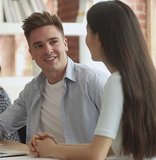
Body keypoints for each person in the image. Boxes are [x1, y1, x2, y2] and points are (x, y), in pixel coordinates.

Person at [30, 1, 156, 159]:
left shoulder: (116, 83)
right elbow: (113, 148)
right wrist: (56, 147)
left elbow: (96, 154)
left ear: (100, 38)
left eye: (88, 31)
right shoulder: (146, 79)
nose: (86, 39)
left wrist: (50, 150)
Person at [0, 11, 109, 145]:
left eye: (53, 42)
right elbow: (1, 125)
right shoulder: (32, 90)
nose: (47, 50)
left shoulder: (93, 82)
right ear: (31, 53)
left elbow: (122, 139)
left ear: (65, 44)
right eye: (39, 46)